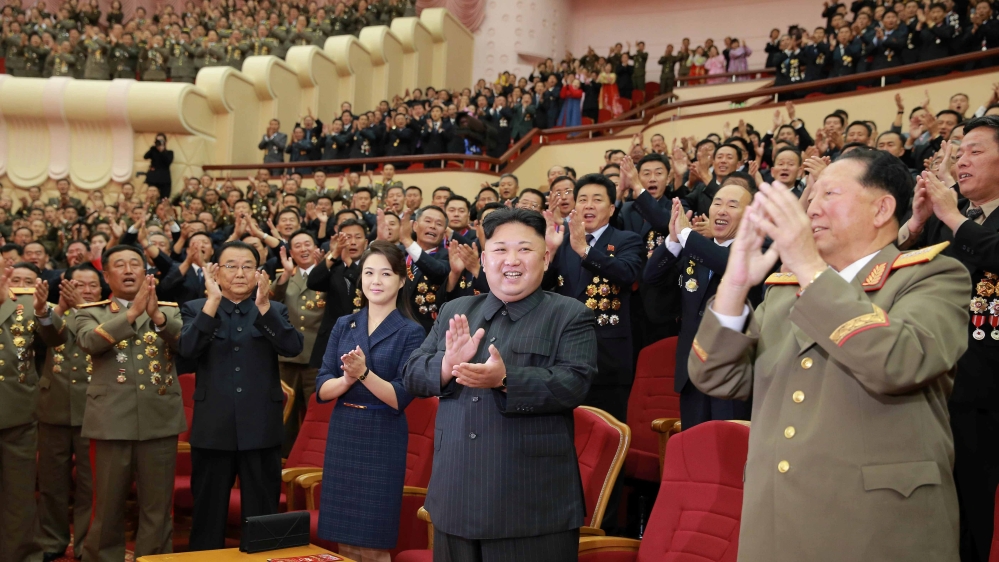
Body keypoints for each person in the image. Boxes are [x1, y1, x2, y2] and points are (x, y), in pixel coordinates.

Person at [689, 150, 968, 561]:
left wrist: (807, 264)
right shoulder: (785, 292)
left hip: (875, 529)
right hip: (777, 523)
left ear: (882, 209)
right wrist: (735, 284)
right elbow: (716, 376)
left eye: (829, 194)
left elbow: (899, 362)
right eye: (812, 195)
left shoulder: (933, 276)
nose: (811, 208)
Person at [403, 208, 597, 561]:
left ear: (545, 258)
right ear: (484, 258)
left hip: (530, 505)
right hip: (454, 497)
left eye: (524, 249)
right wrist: (445, 365)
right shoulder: (456, 310)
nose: (512, 260)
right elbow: (412, 373)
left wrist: (505, 380)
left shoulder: (570, 314)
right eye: (500, 250)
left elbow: (575, 383)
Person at [898, 116, 999, 562]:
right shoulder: (945, 218)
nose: (962, 160)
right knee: (934, 507)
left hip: (988, 389)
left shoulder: (956, 217)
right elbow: (891, 270)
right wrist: (917, 223)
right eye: (959, 152)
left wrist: (953, 217)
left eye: (975, 150)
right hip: (935, 380)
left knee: (979, 509)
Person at [179, 240, 303, 551]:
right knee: (207, 513)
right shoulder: (196, 308)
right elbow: (187, 351)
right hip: (212, 427)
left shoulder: (273, 309)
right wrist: (212, 301)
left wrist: (264, 307)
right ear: (216, 272)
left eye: (248, 266)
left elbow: (293, 347)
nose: (239, 273)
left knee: (262, 515)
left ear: (259, 273)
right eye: (231, 266)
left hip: (261, 428)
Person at [315, 241, 425, 562]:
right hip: (344, 431)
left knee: (373, 544)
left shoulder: (411, 331)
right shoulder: (344, 324)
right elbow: (322, 388)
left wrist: (362, 373)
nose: (375, 281)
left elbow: (400, 397)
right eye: (369, 273)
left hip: (382, 436)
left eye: (385, 274)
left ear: (401, 280)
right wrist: (346, 380)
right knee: (345, 543)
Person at [77, 245, 185, 561]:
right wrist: (132, 313)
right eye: (120, 265)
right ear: (106, 275)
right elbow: (90, 342)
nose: (128, 270)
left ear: (146, 272)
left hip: (160, 419)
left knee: (158, 507)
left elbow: (187, 344)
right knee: (107, 506)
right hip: (111, 421)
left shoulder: (169, 310)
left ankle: (154, 558)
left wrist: (156, 316)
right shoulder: (89, 312)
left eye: (135, 264)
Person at [643, 174, 756, 429]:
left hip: (733, 376)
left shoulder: (756, 250)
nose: (721, 210)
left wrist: (686, 234)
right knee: (694, 446)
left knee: (730, 447)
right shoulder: (695, 252)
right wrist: (674, 240)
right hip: (692, 373)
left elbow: (729, 265)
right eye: (717, 203)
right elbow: (651, 277)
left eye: (732, 205)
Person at [543, 174, 643, 423]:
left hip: (608, 358)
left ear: (611, 209)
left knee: (610, 430)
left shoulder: (627, 240)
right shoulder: (561, 242)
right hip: (563, 354)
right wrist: (550, 253)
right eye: (583, 199)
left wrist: (584, 250)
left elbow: (627, 273)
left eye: (597, 200)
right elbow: (541, 289)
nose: (588, 205)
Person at [36, 264, 102, 562]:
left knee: (91, 484)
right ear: (65, 287)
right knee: (52, 481)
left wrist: (81, 308)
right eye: (78, 285)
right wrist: (61, 308)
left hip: (95, 409)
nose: (86, 291)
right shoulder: (51, 312)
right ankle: (52, 540)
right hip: (54, 405)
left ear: (101, 289)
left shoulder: (109, 314)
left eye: (92, 285)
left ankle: (87, 542)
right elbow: (43, 337)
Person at [0, 262, 63, 562]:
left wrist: (42, 313)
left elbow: (57, 339)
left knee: (19, 493)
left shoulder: (28, 302)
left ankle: (21, 555)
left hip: (18, 412)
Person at [270, 231, 326, 454]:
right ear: (291, 253)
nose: (304, 249)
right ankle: (285, 459)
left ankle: (313, 458)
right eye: (298, 246)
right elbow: (270, 302)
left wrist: (326, 272)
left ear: (317, 249)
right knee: (287, 414)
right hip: (288, 356)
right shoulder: (286, 277)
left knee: (316, 411)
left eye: (307, 244)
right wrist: (285, 273)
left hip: (316, 356)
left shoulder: (327, 274)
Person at [143, 133, 173, 200]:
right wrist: (153, 148)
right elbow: (145, 157)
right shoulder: (153, 150)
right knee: (151, 198)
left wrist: (162, 151)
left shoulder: (169, 153)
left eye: (161, 140)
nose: (159, 142)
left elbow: (168, 162)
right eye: (158, 140)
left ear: (165, 142)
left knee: (164, 199)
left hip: (164, 180)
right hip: (153, 179)